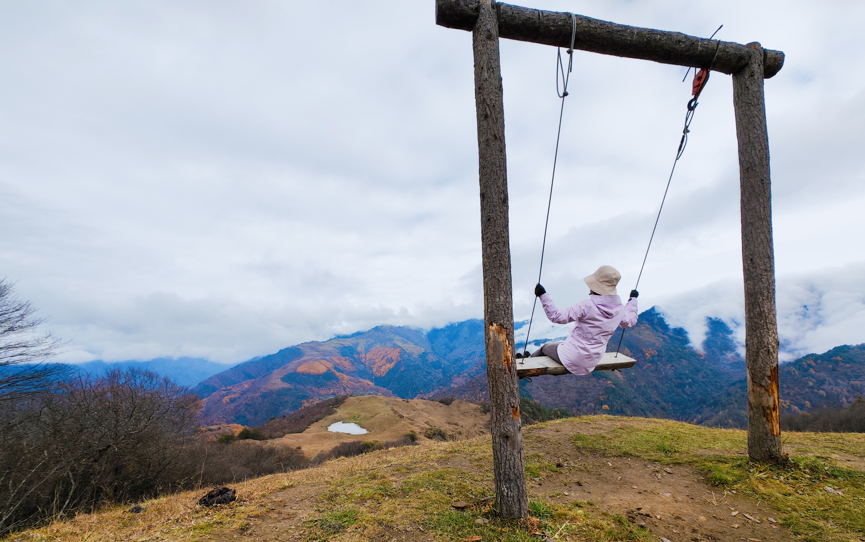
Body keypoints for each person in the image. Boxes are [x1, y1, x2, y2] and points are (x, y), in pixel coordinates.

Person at [525, 265, 639, 376]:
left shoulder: (587, 306)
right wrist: (633, 300)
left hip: (572, 358)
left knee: (545, 348)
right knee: (559, 345)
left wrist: (543, 295)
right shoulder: (620, 310)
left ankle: (526, 363)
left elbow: (557, 316)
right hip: (592, 361)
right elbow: (630, 322)